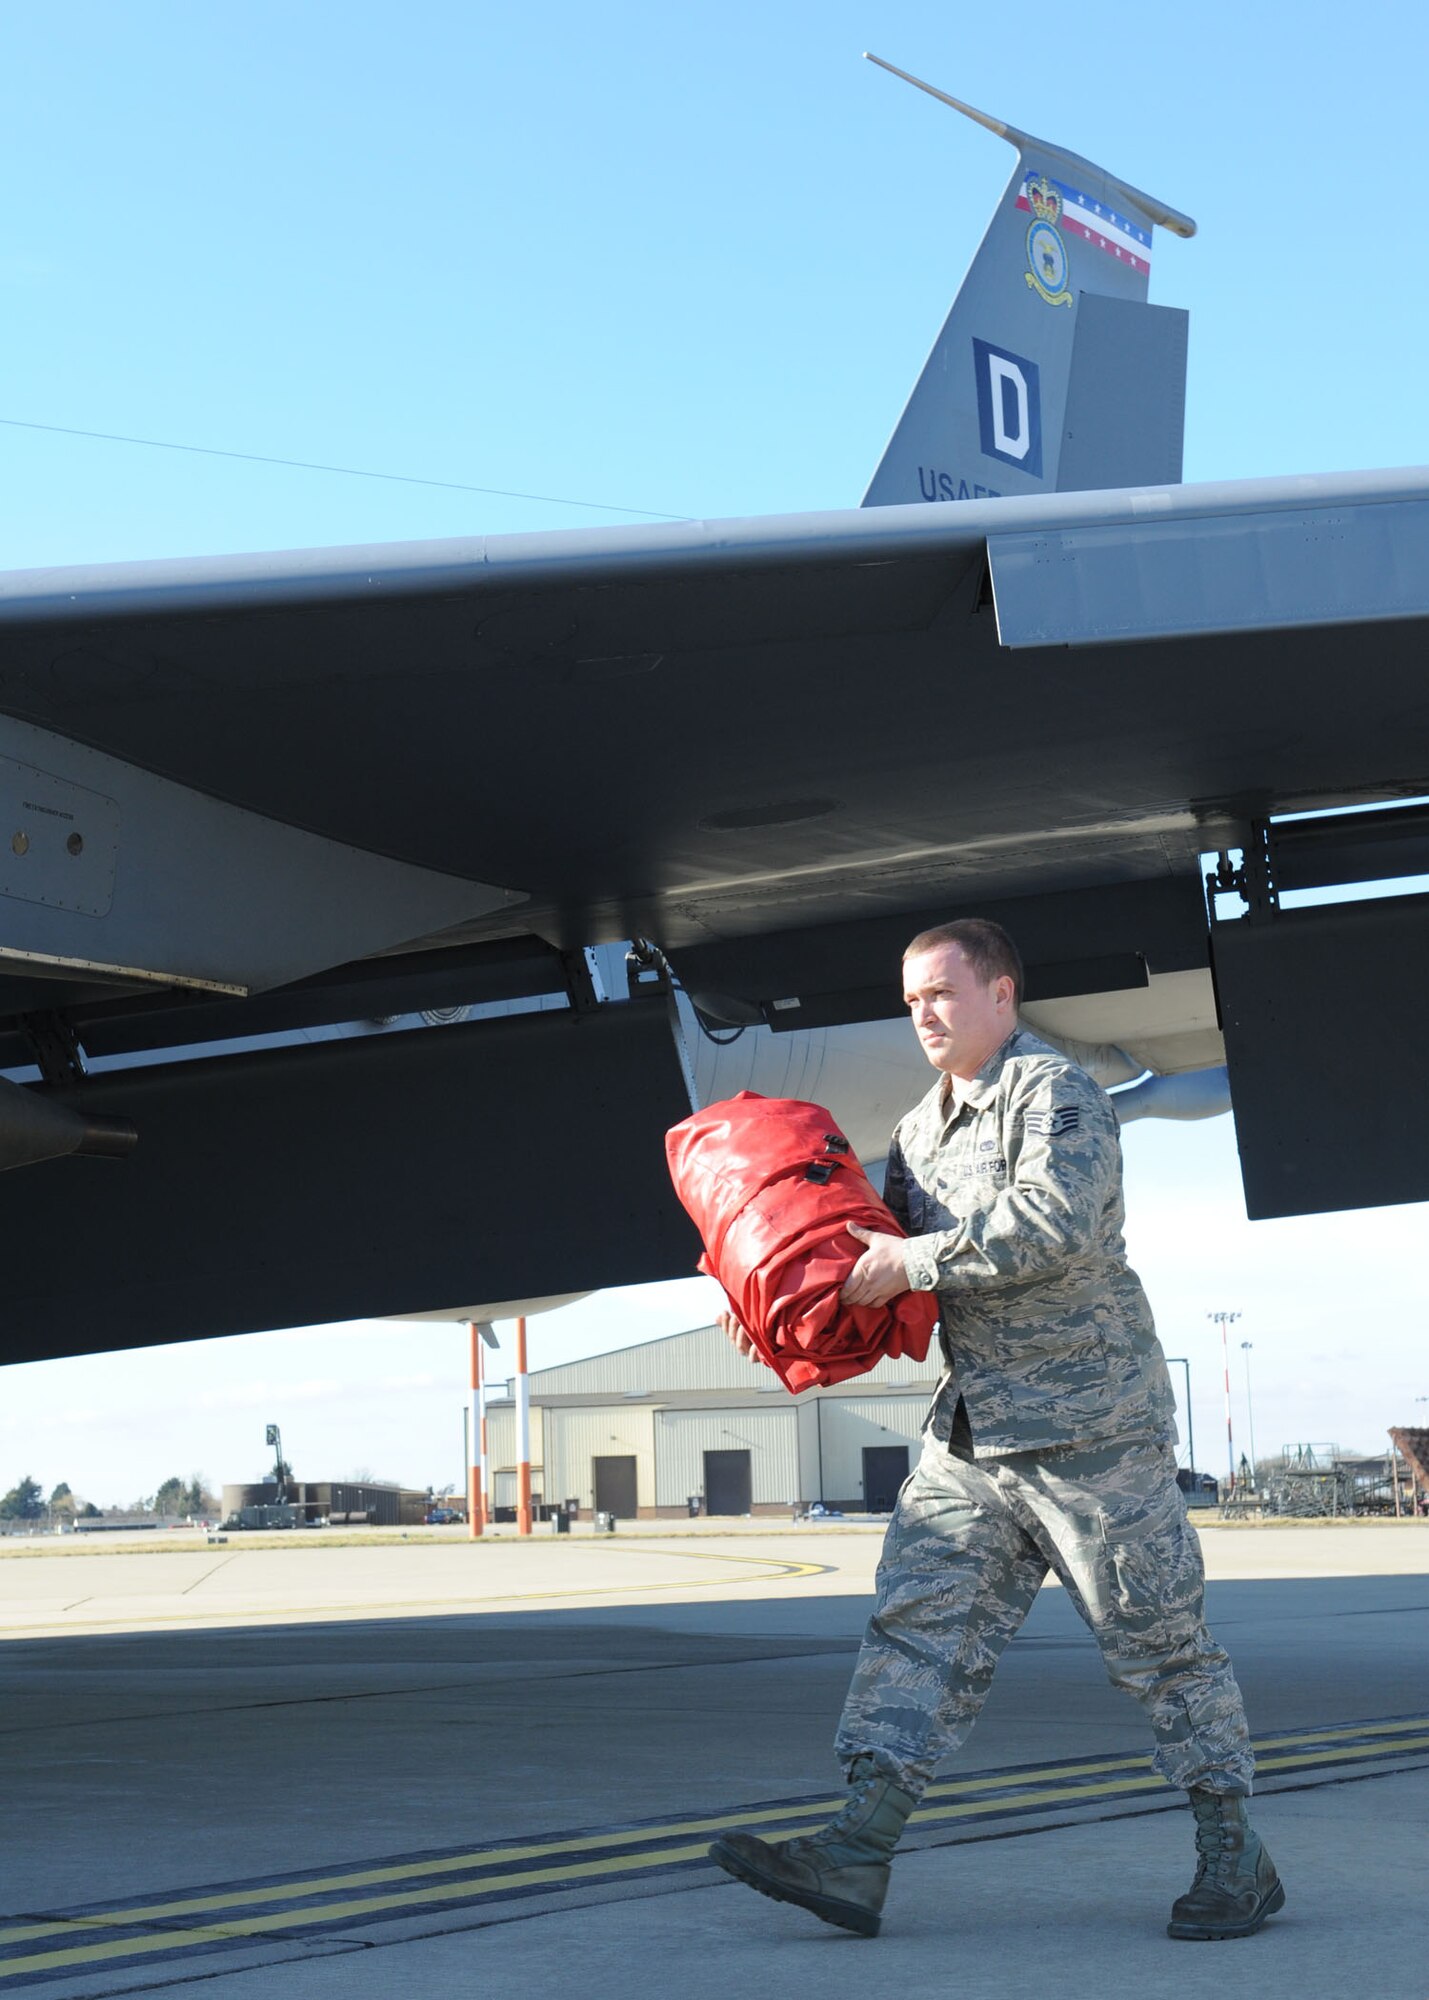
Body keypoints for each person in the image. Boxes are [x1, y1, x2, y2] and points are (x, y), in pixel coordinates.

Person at [710, 918, 1283, 1943]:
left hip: (1087, 1425)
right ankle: (856, 1850)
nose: (923, 1013)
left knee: (1155, 1643)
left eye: (940, 991)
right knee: (916, 1627)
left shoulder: (1056, 1093)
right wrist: (780, 1300)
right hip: (973, 1432)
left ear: (1001, 993)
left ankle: (1234, 1856)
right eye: (910, 999)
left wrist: (911, 1263)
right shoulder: (919, 1129)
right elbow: (879, 1268)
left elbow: (1051, 1221)